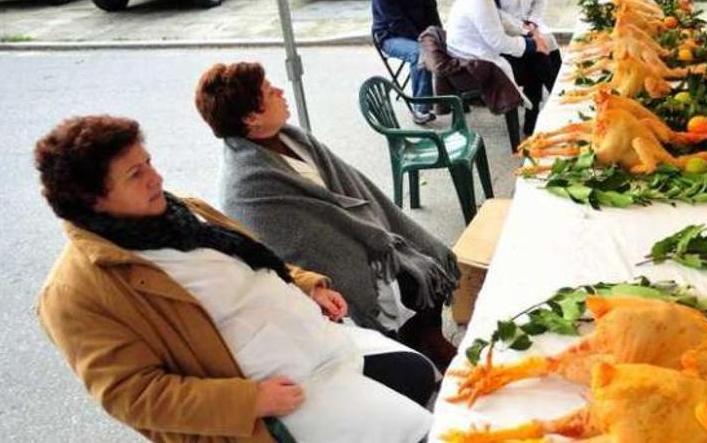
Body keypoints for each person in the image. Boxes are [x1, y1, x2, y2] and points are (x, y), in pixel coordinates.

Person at [34, 115, 436, 443]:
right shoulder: (75, 293)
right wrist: (250, 402)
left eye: (149, 162)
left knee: (419, 373)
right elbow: (133, 395)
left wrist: (305, 284)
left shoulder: (181, 210)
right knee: (420, 432)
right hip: (276, 399)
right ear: (92, 200)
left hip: (320, 345)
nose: (155, 178)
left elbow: (255, 258)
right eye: (135, 174)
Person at [195, 62, 461, 370]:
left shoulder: (293, 137)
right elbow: (304, 244)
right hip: (324, 275)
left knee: (423, 259)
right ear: (251, 119)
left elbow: (357, 189)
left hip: (365, 242)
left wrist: (378, 234)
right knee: (405, 279)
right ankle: (422, 353)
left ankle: (427, 344)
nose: (281, 91)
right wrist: (367, 248)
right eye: (269, 91)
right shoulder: (246, 183)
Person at [444, 0, 551, 130]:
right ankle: (549, 110)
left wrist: (529, 34)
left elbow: (501, 20)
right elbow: (498, 41)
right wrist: (533, 45)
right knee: (540, 60)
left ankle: (551, 108)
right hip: (474, 69)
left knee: (544, 53)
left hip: (477, 57)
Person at [488, 0, 563, 135]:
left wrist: (532, 22)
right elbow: (499, 15)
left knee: (547, 50)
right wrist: (525, 29)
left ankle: (540, 111)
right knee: (539, 57)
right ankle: (559, 100)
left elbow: (540, 0)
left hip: (532, 27)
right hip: (509, 37)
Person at [371, 0, 442, 125]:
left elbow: (431, 10)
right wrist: (425, 40)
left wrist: (438, 34)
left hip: (419, 33)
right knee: (421, 53)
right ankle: (421, 109)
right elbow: (396, 22)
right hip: (390, 36)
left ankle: (452, 99)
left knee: (447, 44)